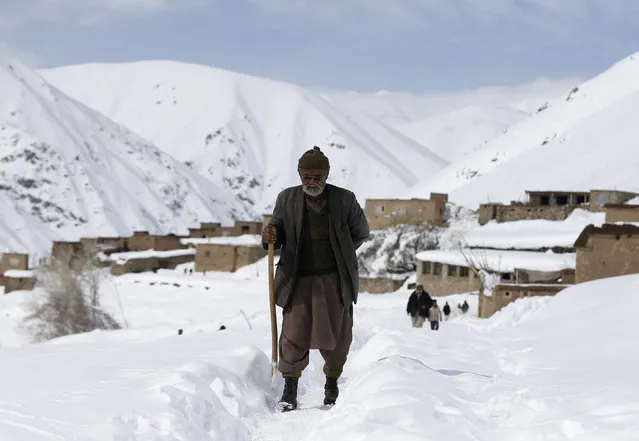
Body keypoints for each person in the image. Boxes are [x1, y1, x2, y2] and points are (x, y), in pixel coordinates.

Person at [262, 146, 370, 412]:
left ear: (327, 174)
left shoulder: (345, 200)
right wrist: (271, 234)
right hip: (297, 280)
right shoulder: (286, 199)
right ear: (299, 174)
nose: (311, 182)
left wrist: (343, 252)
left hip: (333, 279)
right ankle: (289, 390)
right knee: (293, 334)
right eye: (306, 177)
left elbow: (361, 232)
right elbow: (277, 227)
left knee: (337, 334)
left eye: (317, 177)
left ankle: (332, 384)